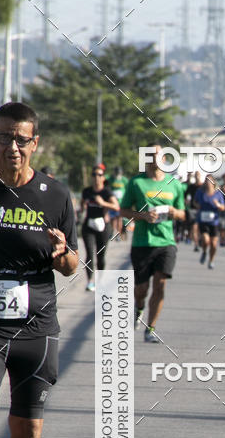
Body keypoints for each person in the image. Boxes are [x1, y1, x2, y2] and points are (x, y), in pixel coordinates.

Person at [0, 101, 78, 438]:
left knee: (28, 428)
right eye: (5, 136)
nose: (13, 147)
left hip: (36, 327)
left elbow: (72, 265)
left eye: (21, 139)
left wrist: (62, 251)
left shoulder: (55, 194)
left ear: (35, 143)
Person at [120, 144, 186, 342]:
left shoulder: (174, 184)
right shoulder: (136, 183)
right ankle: (139, 307)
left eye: (158, 155)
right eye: (150, 155)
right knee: (141, 290)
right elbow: (123, 211)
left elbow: (183, 213)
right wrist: (143, 216)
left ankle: (151, 328)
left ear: (164, 159)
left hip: (166, 242)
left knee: (160, 284)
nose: (155, 158)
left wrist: (174, 213)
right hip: (142, 243)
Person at [80, 165, 119, 292]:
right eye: (95, 175)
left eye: (100, 175)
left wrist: (103, 203)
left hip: (103, 226)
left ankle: (100, 281)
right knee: (89, 254)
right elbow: (82, 204)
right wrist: (82, 207)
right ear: (92, 177)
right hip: (89, 225)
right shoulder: (87, 191)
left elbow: (116, 207)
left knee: (100, 256)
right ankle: (90, 282)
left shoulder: (106, 192)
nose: (97, 177)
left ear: (103, 177)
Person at [195, 174, 225, 269]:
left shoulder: (218, 194)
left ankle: (211, 260)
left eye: (210, 181)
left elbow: (223, 207)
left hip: (214, 222)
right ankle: (204, 252)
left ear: (213, 183)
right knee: (206, 240)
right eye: (206, 180)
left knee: (213, 244)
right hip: (203, 220)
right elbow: (195, 202)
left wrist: (218, 205)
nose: (208, 182)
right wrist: (197, 206)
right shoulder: (200, 192)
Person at [109, 166, 128, 240]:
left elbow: (127, 190)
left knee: (119, 218)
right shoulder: (111, 179)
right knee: (113, 218)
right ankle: (113, 232)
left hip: (121, 203)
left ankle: (118, 234)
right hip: (112, 202)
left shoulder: (124, 180)